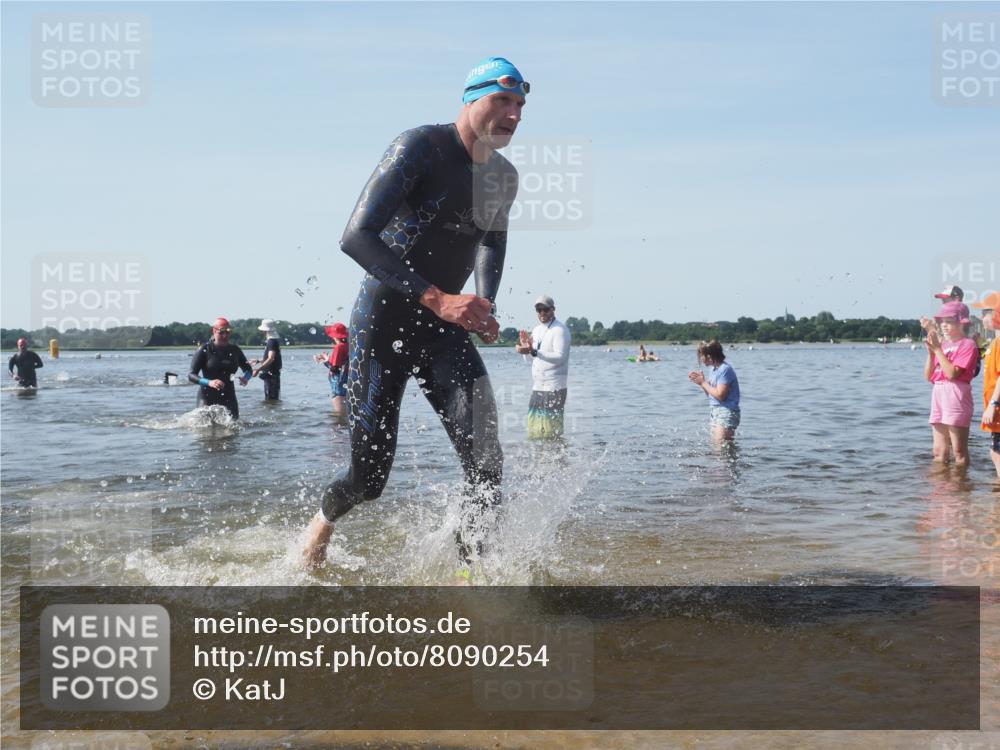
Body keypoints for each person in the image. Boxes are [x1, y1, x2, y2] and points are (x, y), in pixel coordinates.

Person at [301, 56, 525, 569]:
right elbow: (355, 237)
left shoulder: (503, 177)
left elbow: (491, 243)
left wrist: (484, 300)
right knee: (369, 478)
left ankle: (472, 575)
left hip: (444, 333)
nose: (513, 113)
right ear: (471, 99)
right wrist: (440, 298)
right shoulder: (420, 147)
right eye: (502, 100)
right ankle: (321, 525)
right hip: (383, 327)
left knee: (487, 463)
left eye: (520, 105)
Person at [924, 301, 978, 466]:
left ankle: (961, 487)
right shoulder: (944, 345)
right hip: (939, 394)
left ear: (961, 323)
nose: (944, 326)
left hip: (956, 395)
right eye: (942, 322)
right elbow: (929, 376)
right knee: (938, 451)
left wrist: (938, 350)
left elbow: (952, 373)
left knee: (959, 451)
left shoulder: (968, 345)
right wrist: (932, 353)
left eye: (949, 321)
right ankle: (941, 488)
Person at [515, 295, 571, 439]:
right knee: (533, 432)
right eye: (538, 310)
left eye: (545, 310)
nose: (542, 313)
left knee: (552, 433)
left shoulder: (560, 330)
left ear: (553, 309)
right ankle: (538, 461)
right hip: (537, 388)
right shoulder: (536, 330)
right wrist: (526, 349)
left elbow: (560, 357)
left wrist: (534, 351)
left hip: (554, 388)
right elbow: (530, 359)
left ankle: (558, 460)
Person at [188, 317, 253, 419]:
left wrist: (246, 378)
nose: (225, 335)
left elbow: (248, 369)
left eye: (228, 332)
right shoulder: (204, 350)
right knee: (204, 430)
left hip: (229, 397)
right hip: (206, 397)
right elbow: (191, 375)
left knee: (233, 428)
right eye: (221, 332)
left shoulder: (235, 350)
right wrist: (209, 382)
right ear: (214, 331)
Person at [688, 339, 741, 441]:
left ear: (709, 356)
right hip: (716, 411)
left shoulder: (725, 369)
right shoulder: (713, 369)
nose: (700, 358)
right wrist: (702, 383)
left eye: (701, 355)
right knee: (720, 448)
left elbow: (721, 396)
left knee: (720, 448)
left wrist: (703, 383)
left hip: (727, 411)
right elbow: (712, 395)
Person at [972, 292, 1000, 478]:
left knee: (996, 452)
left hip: (997, 408)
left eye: (984, 313)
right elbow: (990, 359)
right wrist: (980, 343)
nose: (981, 317)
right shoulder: (994, 343)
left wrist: (993, 405)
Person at [315, 322, 349, 416]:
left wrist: (324, 361)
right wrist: (326, 358)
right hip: (346, 379)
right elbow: (343, 364)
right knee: (345, 409)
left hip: (338, 381)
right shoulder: (348, 346)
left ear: (335, 336)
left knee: (339, 414)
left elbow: (335, 369)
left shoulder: (339, 347)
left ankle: (337, 428)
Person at [251, 319, 282, 401]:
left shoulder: (271, 342)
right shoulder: (273, 341)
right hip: (272, 376)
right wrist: (257, 361)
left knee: (270, 400)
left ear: (265, 330)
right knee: (272, 400)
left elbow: (271, 358)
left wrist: (257, 368)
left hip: (271, 377)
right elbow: (269, 359)